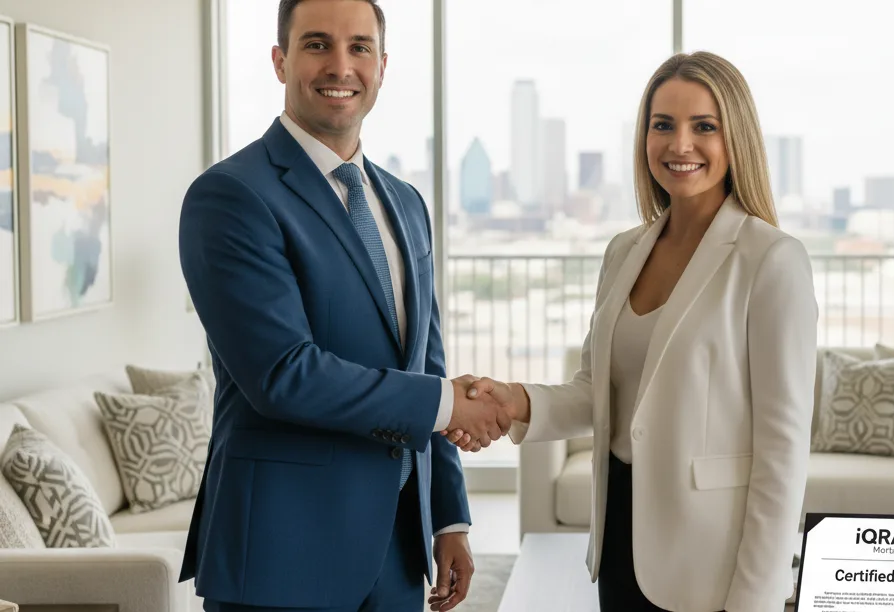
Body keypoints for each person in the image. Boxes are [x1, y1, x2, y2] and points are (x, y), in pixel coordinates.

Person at [445, 51, 819, 612]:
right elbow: (601, 393)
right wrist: (513, 400)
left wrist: (756, 598)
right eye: (663, 125)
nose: (680, 144)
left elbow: (782, 450)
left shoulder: (771, 259)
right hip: (621, 538)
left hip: (709, 565)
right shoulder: (624, 251)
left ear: (735, 137)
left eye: (704, 126)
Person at [178, 1, 510, 610]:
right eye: (316, 45)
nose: (340, 66)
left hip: (396, 554)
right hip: (282, 554)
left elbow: (426, 365)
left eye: (359, 47)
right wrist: (447, 403)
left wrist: (448, 518)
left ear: (382, 66)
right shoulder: (230, 196)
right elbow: (283, 374)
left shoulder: (406, 202)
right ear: (280, 61)